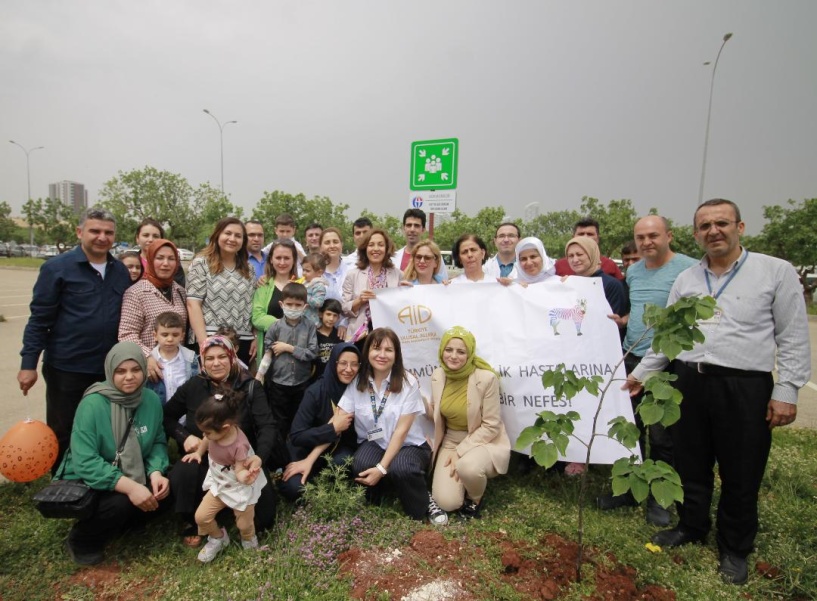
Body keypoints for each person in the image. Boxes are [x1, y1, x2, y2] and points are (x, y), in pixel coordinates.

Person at [626, 199, 811, 585]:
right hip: (689, 382)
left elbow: (792, 335)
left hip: (743, 386)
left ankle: (735, 547)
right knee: (690, 463)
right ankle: (691, 525)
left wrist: (788, 389)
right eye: (705, 226)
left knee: (741, 470)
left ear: (740, 227)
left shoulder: (774, 272)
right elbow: (668, 337)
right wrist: (642, 374)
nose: (714, 231)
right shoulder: (688, 280)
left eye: (722, 223)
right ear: (696, 234)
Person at [598, 216, 697, 525]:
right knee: (629, 429)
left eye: (653, 235)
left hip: (667, 364)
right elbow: (637, 310)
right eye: (640, 237)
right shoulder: (636, 270)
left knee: (663, 436)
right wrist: (623, 322)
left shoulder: (688, 269)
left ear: (669, 235)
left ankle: (659, 498)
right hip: (631, 357)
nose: (646, 242)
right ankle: (630, 488)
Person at [19, 207, 132, 471]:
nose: (102, 237)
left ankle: (99, 476)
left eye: (108, 232)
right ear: (79, 232)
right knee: (65, 427)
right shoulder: (56, 269)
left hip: (108, 369)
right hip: (67, 366)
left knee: (103, 426)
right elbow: (39, 320)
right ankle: (62, 482)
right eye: (95, 231)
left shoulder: (120, 272)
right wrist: (28, 364)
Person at [58, 342, 170, 565]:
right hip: (93, 479)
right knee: (120, 503)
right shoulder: (92, 404)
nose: (129, 377)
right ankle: (83, 540)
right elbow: (86, 461)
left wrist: (157, 472)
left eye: (135, 370)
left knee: (172, 485)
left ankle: (127, 522)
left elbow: (157, 441)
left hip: (134, 470)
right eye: (121, 371)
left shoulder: (150, 400)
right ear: (110, 371)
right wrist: (131, 486)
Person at [163, 336, 281, 546]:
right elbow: (167, 416)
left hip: (243, 461)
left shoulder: (249, 386)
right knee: (184, 471)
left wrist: (260, 458)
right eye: (209, 358)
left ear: (232, 357)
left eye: (221, 357)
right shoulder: (193, 386)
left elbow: (267, 426)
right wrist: (185, 436)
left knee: (266, 519)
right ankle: (192, 520)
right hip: (207, 459)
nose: (215, 363)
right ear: (202, 361)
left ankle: (235, 512)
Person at [337, 328, 432, 521]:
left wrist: (381, 468)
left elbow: (402, 431)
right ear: (367, 352)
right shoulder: (358, 382)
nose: (381, 355)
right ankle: (383, 496)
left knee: (402, 468)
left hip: (408, 444)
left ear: (396, 355)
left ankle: (421, 507)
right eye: (376, 349)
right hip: (377, 440)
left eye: (388, 350)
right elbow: (339, 417)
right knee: (361, 463)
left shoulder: (408, 382)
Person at [426, 327, 510, 525]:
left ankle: (475, 498)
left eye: (461, 352)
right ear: (441, 351)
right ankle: (462, 484)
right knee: (446, 502)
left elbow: (491, 425)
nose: (453, 356)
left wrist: (461, 451)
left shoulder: (486, 378)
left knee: (468, 467)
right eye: (449, 350)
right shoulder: (438, 375)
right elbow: (437, 412)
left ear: (470, 353)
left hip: (484, 440)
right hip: (450, 439)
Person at [562, 235, 629, 477]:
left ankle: (603, 453)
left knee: (599, 404)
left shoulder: (610, 285)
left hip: (599, 356)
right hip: (574, 353)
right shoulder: (568, 283)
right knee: (577, 404)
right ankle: (576, 455)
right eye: (571, 255)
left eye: (580, 254)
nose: (576, 259)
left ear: (593, 254)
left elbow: (618, 321)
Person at [183, 391, 268, 561]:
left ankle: (249, 539)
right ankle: (218, 537)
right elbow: (206, 441)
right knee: (201, 517)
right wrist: (199, 452)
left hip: (238, 487)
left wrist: (246, 477)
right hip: (219, 484)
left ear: (225, 428)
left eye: (207, 433)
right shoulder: (213, 433)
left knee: (244, 523)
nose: (205, 436)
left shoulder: (239, 446)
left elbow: (239, 470)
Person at [280, 342, 361, 500]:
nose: (349, 369)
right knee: (293, 489)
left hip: (338, 449)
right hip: (306, 449)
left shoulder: (359, 390)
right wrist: (332, 428)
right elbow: (297, 435)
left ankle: (325, 482)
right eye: (343, 363)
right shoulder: (316, 391)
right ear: (333, 363)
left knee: (343, 462)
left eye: (354, 364)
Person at [187, 217, 256, 365]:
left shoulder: (248, 268)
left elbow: (252, 305)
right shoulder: (202, 263)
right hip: (212, 339)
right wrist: (203, 343)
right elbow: (193, 304)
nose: (232, 239)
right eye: (228, 233)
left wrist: (255, 336)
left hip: (243, 340)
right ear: (218, 235)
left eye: (238, 236)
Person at [256, 282, 318, 442]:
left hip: (301, 382)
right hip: (278, 382)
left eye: (298, 305)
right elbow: (269, 347)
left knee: (298, 418)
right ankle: (279, 458)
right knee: (278, 420)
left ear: (305, 307)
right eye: (289, 304)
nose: (293, 308)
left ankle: (295, 450)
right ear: (281, 304)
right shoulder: (275, 326)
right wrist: (260, 373)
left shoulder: (310, 327)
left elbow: (312, 352)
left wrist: (289, 348)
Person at [119, 238, 188, 367]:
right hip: (150, 369)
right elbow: (127, 334)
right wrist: (147, 357)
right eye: (160, 258)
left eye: (171, 259)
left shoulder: (180, 291)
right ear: (150, 260)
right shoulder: (136, 292)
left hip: (178, 366)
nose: (166, 263)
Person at [342, 229, 403, 343]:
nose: (376, 249)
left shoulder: (398, 275)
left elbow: (403, 307)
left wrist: (406, 291)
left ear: (387, 249)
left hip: (388, 334)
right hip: (359, 336)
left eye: (380, 245)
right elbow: (344, 308)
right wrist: (359, 301)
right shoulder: (353, 274)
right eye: (371, 245)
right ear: (365, 249)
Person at [251, 239, 301, 366]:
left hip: (298, 349)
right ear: (271, 260)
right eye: (278, 258)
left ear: (294, 260)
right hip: (270, 352)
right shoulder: (264, 285)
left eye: (287, 258)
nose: (282, 262)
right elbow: (257, 317)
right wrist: (282, 325)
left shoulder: (303, 285)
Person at [146, 312, 198, 406]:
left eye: (175, 335)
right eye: (165, 335)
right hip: (157, 413)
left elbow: (197, 388)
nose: (170, 339)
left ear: (182, 336)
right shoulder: (150, 360)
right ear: (155, 335)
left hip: (183, 416)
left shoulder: (190, 358)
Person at [555, 218, 625, 280]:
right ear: (573, 237)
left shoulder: (610, 265)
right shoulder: (559, 265)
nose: (585, 237)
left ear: (598, 238)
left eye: (590, 234)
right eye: (581, 234)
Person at [135, 217, 185, 287]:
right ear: (137, 238)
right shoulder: (129, 262)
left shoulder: (173, 265)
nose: (150, 239)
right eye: (146, 235)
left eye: (155, 236)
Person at [318, 227, 349, 339]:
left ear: (342, 244)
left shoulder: (351, 271)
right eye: (327, 242)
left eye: (335, 242)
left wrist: (344, 323)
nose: (332, 246)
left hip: (347, 333)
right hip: (319, 332)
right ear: (320, 247)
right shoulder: (314, 273)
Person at [314, 298, 343, 379]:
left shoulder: (340, 335)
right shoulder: (314, 335)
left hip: (335, 377)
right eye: (328, 314)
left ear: (338, 318)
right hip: (317, 377)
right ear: (320, 314)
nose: (331, 319)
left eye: (335, 315)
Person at [302, 252, 328, 327]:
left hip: (311, 323)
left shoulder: (319, 286)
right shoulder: (305, 283)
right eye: (303, 270)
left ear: (319, 272)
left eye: (307, 271)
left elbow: (318, 303)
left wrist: (302, 295)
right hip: (301, 322)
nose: (304, 273)